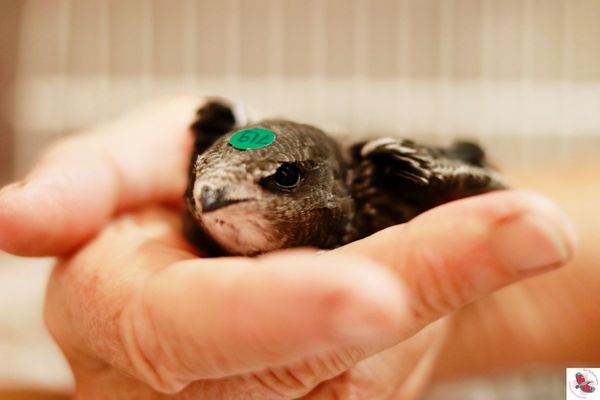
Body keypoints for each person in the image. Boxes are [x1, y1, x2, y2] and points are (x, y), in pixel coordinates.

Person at [0, 97, 595, 399]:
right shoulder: (198, 205)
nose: (209, 202)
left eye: (280, 181)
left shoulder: (378, 175)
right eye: (201, 182)